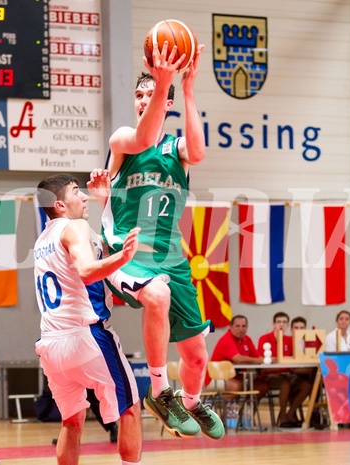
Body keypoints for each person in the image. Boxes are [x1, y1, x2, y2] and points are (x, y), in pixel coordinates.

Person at [94, 39, 224, 440]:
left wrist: (184, 90)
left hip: (171, 257)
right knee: (157, 296)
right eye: (138, 94)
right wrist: (163, 82)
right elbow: (144, 137)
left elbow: (199, 152)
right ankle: (158, 390)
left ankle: (190, 400)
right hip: (125, 251)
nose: (142, 99)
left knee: (198, 356)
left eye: (151, 94)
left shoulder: (177, 149)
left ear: (165, 101)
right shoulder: (122, 140)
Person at [34, 173, 143, 465]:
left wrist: (105, 200)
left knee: (72, 421)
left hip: (51, 345)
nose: (83, 197)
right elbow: (85, 271)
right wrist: (124, 258)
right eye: (75, 192)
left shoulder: (42, 239)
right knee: (130, 408)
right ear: (59, 205)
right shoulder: (75, 227)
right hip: (86, 337)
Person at [257, 312, 312, 427]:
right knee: (286, 384)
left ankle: (290, 413)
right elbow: (260, 359)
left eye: (284, 322)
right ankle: (282, 416)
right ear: (274, 324)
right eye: (278, 322)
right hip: (270, 374)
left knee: (306, 385)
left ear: (288, 326)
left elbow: (294, 360)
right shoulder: (264, 338)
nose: (281, 325)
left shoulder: (290, 340)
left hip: (288, 374)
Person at [210, 315, 268, 399]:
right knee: (236, 386)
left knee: (261, 386)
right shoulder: (226, 339)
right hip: (216, 378)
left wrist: (262, 359)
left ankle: (245, 411)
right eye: (237, 326)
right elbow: (238, 359)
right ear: (230, 327)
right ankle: (224, 411)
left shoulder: (247, 339)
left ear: (247, 327)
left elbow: (258, 357)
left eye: (243, 326)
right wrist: (257, 360)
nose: (241, 329)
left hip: (238, 377)